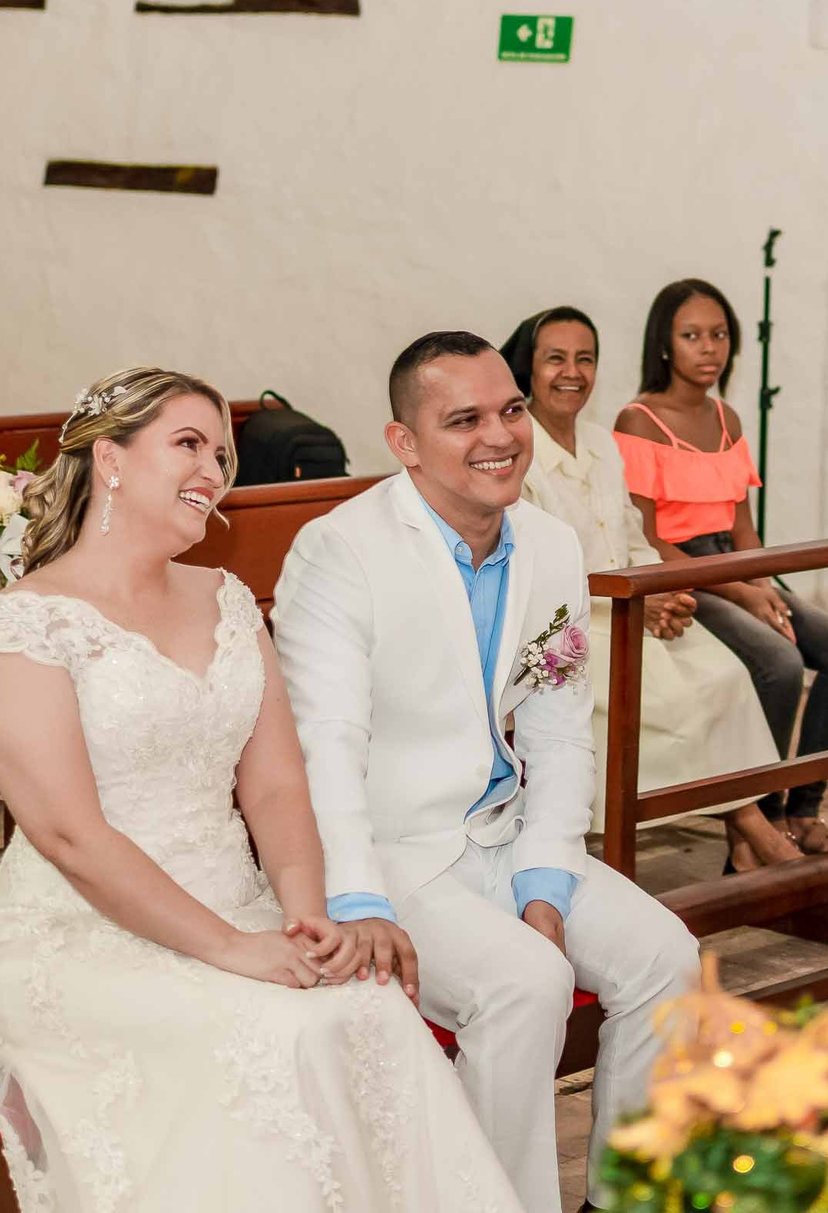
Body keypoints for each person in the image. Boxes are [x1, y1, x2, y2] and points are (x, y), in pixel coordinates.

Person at [0, 368, 520, 1212]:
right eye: (187, 444)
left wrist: (306, 918)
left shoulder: (223, 598)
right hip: (82, 933)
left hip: (240, 904)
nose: (213, 471)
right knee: (277, 1035)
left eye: (221, 454)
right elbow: (71, 836)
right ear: (110, 460)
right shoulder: (28, 621)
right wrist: (229, 948)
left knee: (369, 1013)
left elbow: (278, 787)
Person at [273, 332, 699, 1213]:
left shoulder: (549, 544)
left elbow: (559, 732)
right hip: (395, 846)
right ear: (404, 442)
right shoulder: (341, 549)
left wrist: (545, 877)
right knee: (527, 984)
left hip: (505, 830)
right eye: (463, 420)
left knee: (668, 958)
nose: (499, 436)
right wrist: (356, 897)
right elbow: (325, 742)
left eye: (509, 410)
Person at [504, 306, 799, 872]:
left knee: (726, 675)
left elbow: (634, 537)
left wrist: (661, 593)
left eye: (585, 359)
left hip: (629, 606)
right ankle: (753, 827)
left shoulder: (601, 443)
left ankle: (746, 833)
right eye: (556, 359)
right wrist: (629, 599)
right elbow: (532, 568)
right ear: (529, 369)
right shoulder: (518, 450)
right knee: (673, 700)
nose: (572, 372)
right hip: (559, 627)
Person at [613, 279, 828, 855]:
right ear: (664, 345)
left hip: (732, 566)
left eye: (720, 334)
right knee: (779, 663)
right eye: (692, 336)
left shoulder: (727, 418)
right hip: (679, 573)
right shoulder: (638, 421)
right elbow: (649, 538)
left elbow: (744, 530)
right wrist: (743, 593)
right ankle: (758, 820)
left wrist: (763, 586)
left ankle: (804, 808)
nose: (709, 348)